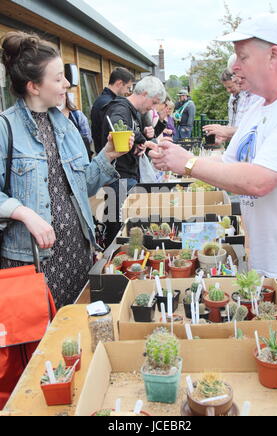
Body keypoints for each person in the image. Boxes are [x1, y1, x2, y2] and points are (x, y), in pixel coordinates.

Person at [149, 13, 277, 323]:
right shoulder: (259, 105)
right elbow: (230, 163)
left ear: (273, 54)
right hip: (267, 264)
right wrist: (175, 156)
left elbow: (259, 181)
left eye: (243, 56)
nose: (234, 66)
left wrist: (188, 163)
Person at [0, 31, 134, 309]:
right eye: (58, 78)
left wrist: (108, 154)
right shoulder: (5, 128)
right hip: (33, 260)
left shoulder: (66, 125)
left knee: (76, 330)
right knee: (42, 339)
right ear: (34, 86)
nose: (67, 84)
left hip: (76, 252)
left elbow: (83, 187)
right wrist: (25, 213)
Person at [100, 75, 166, 247]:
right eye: (153, 102)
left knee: (126, 224)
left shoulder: (132, 111)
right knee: (118, 228)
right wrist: (142, 140)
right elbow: (118, 127)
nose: (152, 107)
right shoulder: (121, 107)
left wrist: (138, 143)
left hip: (126, 175)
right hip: (118, 177)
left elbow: (126, 139)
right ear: (144, 93)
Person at [204, 56, 262, 142]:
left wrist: (226, 131)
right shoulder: (242, 96)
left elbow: (256, 130)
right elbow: (237, 126)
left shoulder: (260, 95)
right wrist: (224, 135)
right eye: (234, 75)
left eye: (236, 74)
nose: (234, 79)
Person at [91, 67, 135, 153]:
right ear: (119, 83)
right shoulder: (109, 103)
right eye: (128, 87)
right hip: (107, 155)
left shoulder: (102, 100)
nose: (128, 92)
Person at [59, 91, 93, 160]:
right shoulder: (49, 118)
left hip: (80, 158)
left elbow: (87, 138)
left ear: (66, 97)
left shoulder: (77, 115)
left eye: (62, 95)